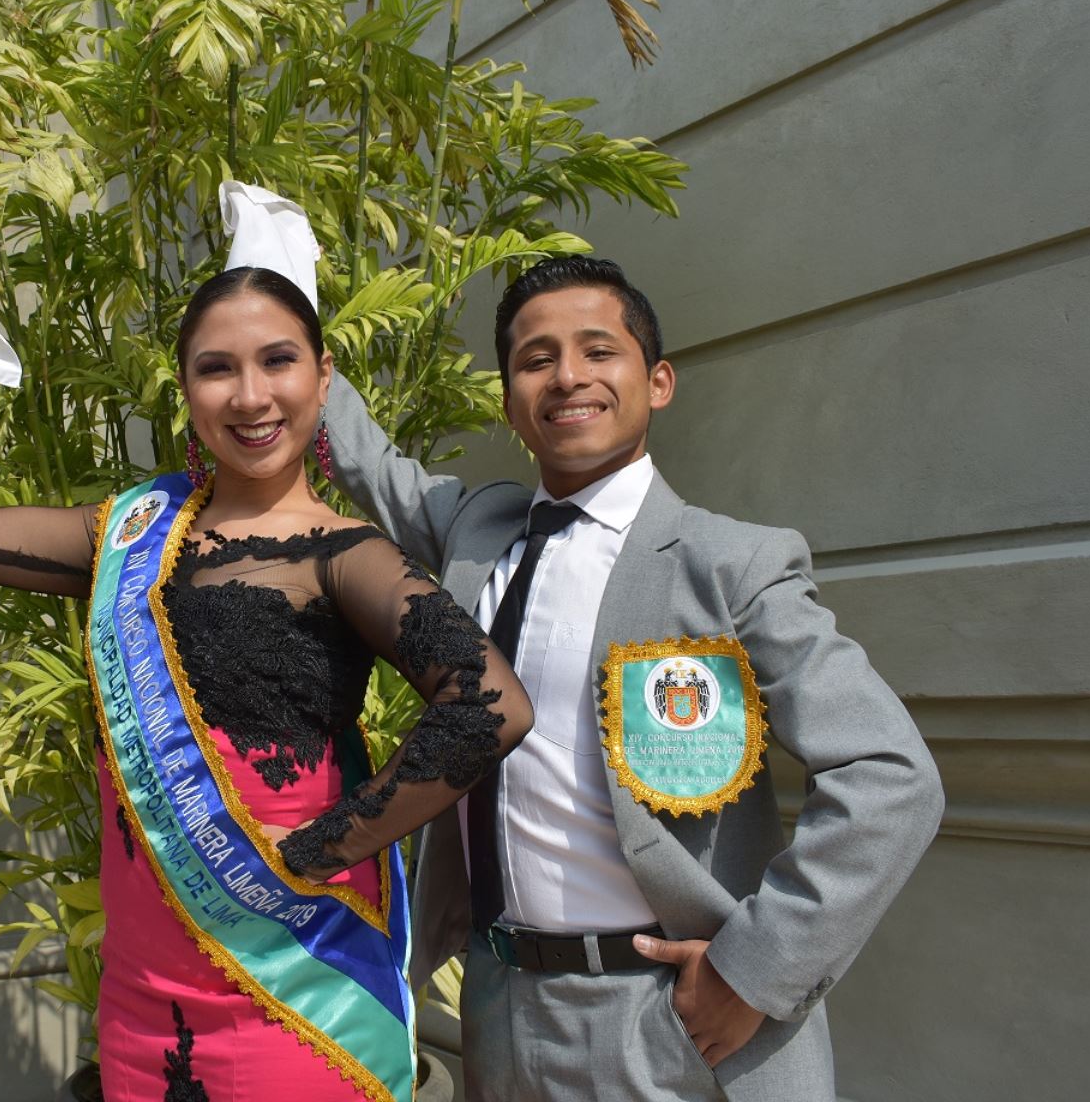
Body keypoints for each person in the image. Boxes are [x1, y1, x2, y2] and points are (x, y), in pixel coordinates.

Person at [0, 249, 532, 1101]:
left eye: (278, 361)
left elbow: (490, 705)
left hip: (294, 973)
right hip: (143, 988)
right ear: (186, 388)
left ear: (323, 375)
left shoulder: (344, 553)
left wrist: (329, 846)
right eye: (216, 369)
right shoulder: (128, 531)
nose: (251, 395)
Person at [322, 255, 945, 1101]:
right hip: (500, 1005)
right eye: (536, 359)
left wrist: (753, 971)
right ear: (510, 401)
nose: (567, 375)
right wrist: (276, 295)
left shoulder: (728, 563)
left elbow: (890, 777)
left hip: (667, 1017)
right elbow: (374, 468)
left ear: (657, 382)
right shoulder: (480, 531)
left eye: (597, 351)